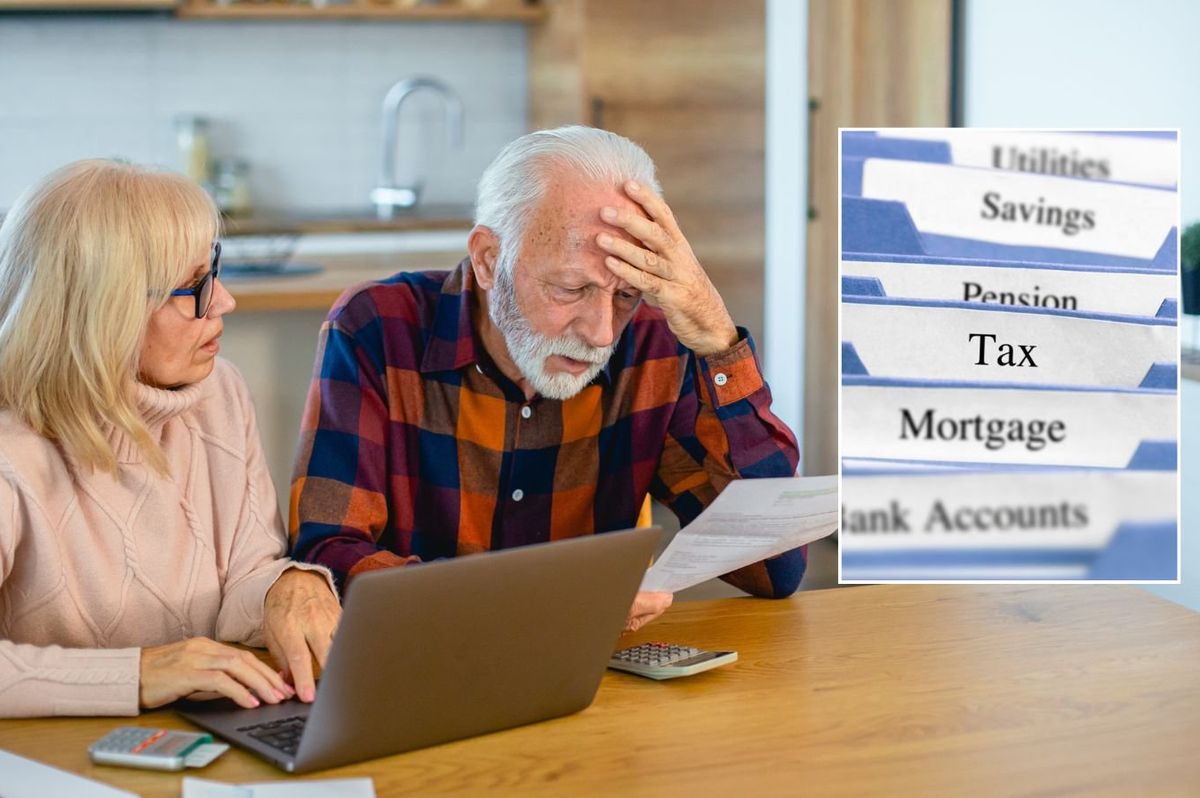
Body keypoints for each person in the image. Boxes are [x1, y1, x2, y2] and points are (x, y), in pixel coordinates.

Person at [290, 126, 802, 631]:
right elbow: (328, 556)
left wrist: (717, 341)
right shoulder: (377, 327)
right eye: (570, 288)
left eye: (626, 295)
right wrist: (538, 607)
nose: (602, 334)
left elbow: (774, 567)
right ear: (490, 259)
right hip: (421, 670)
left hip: (591, 683)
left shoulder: (653, 344)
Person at [0, 160, 341, 719]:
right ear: (105, 309)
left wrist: (289, 584)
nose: (224, 301)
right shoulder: (10, 452)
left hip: (200, 735)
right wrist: (137, 674)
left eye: (215, 272)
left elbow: (247, 574)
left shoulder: (218, 392)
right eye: (194, 286)